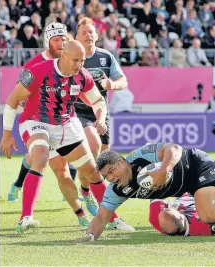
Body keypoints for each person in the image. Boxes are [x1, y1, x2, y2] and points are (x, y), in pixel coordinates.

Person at [0, 40, 107, 233]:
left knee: (92, 171)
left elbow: (98, 100)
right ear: (63, 56)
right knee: (41, 157)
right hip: (35, 121)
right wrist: (7, 134)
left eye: (82, 61)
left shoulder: (83, 75)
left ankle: (111, 218)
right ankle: (25, 218)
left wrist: (101, 118)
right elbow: (13, 99)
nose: (79, 65)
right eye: (76, 60)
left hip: (65, 124)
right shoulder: (40, 70)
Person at [85, 142, 215, 241]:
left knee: (209, 214)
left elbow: (174, 148)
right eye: (106, 176)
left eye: (111, 172)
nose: (110, 178)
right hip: (188, 187)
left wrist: (164, 170)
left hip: (195, 165)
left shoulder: (140, 156)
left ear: (121, 162)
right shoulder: (117, 189)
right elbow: (102, 217)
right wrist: (91, 237)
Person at [73, 17, 134, 230]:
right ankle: (89, 193)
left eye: (92, 32)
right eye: (84, 32)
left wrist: (112, 84)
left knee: (102, 162)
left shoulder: (106, 57)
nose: (89, 35)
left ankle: (87, 190)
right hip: (79, 112)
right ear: (76, 37)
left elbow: (123, 80)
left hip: (102, 112)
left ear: (97, 36)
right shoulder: (74, 58)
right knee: (93, 146)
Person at [149, 193, 215, 236]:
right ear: (181, 217)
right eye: (170, 209)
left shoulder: (156, 218)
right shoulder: (204, 226)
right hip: (211, 194)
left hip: (187, 188)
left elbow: (155, 191)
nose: (167, 207)